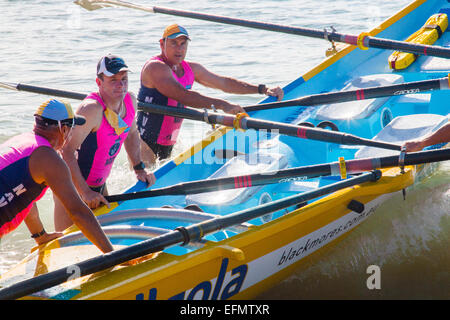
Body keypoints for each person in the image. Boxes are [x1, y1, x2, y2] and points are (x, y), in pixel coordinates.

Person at [137, 24, 285, 163]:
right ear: (162, 44)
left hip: (168, 142)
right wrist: (223, 105)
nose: (179, 49)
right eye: (174, 43)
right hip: (143, 143)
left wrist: (262, 89)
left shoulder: (191, 68)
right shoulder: (156, 67)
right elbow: (184, 96)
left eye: (183, 44)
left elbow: (224, 83)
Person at [54, 54, 156, 231]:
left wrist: (139, 168)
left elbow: (131, 133)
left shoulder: (130, 101)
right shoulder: (91, 109)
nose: (121, 85)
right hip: (71, 189)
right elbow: (66, 151)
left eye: (124, 79)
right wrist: (85, 192)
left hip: (99, 186)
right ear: (99, 82)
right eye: (113, 79)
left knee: (106, 242)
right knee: (64, 248)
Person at [0, 99, 113, 253]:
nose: (71, 134)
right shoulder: (49, 158)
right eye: (72, 128)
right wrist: (113, 255)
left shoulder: (23, 142)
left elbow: (26, 197)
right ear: (64, 129)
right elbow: (78, 212)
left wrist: (40, 236)